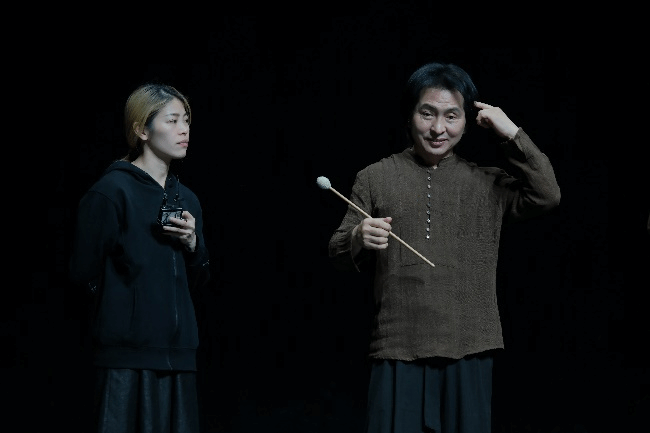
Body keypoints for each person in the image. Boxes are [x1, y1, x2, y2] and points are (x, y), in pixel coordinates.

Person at [327, 62, 561, 433]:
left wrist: (512, 133)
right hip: (397, 346)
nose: (438, 128)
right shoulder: (374, 177)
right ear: (409, 116)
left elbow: (547, 194)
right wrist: (357, 237)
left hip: (470, 346)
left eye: (452, 116)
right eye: (427, 114)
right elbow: (337, 251)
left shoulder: (487, 183)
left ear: (467, 122)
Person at [69, 83, 211, 433]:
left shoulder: (188, 199)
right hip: (125, 357)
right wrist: (119, 317)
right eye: (172, 121)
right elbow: (81, 274)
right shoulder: (111, 192)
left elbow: (198, 283)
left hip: (179, 355)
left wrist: (193, 244)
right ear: (141, 130)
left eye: (186, 120)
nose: (184, 130)